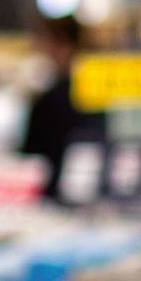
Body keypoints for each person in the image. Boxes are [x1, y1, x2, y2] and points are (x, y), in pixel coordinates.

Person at [19, 14, 106, 203]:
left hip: (54, 192)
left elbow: (29, 154)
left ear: (60, 43)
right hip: (92, 190)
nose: (41, 48)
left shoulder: (52, 98)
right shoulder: (97, 92)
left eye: (45, 41)